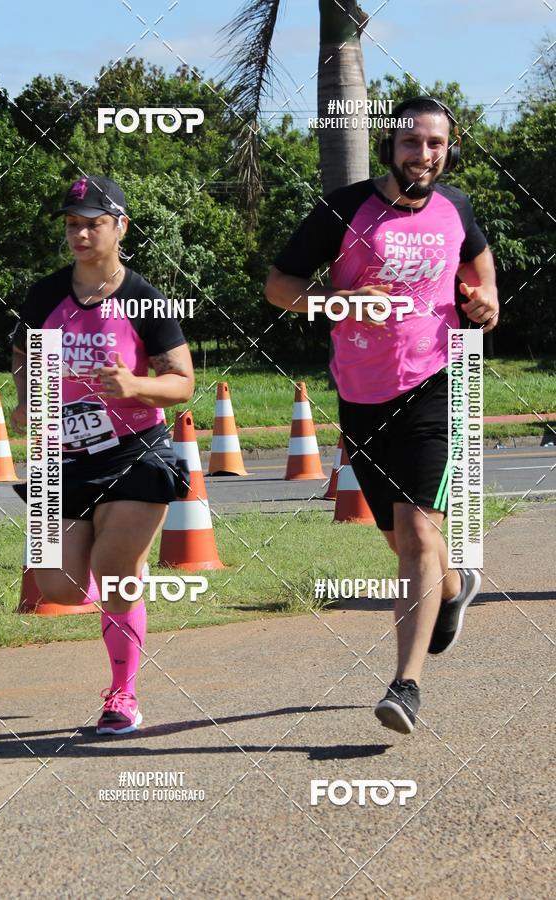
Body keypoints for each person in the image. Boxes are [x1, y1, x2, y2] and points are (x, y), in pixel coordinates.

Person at [265, 97, 499, 734]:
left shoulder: (456, 209)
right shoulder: (344, 209)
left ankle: (406, 685)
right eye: (412, 143)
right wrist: (337, 301)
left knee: (421, 533)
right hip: (362, 396)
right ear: (389, 146)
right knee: (400, 541)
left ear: (448, 150)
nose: (423, 155)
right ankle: (452, 588)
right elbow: (279, 286)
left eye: (436, 145)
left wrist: (486, 303)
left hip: (435, 381)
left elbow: (477, 260)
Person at [11, 175, 194, 735]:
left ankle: (123, 695)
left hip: (135, 451)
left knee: (117, 575)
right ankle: (115, 593)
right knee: (56, 586)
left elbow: (183, 383)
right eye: (72, 223)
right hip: (58, 457)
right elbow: (24, 355)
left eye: (93, 222)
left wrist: (135, 386)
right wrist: (26, 399)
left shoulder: (143, 297)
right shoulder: (45, 294)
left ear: (120, 227)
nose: (80, 232)